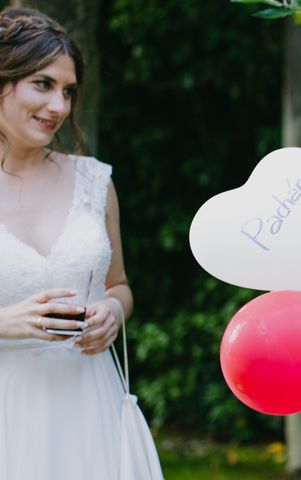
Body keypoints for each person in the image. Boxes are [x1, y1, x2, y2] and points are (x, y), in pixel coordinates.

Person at [0, 7, 162, 479]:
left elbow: (120, 285)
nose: (60, 107)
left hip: (89, 402)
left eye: (68, 91)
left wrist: (113, 311)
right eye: (43, 84)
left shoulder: (94, 181)